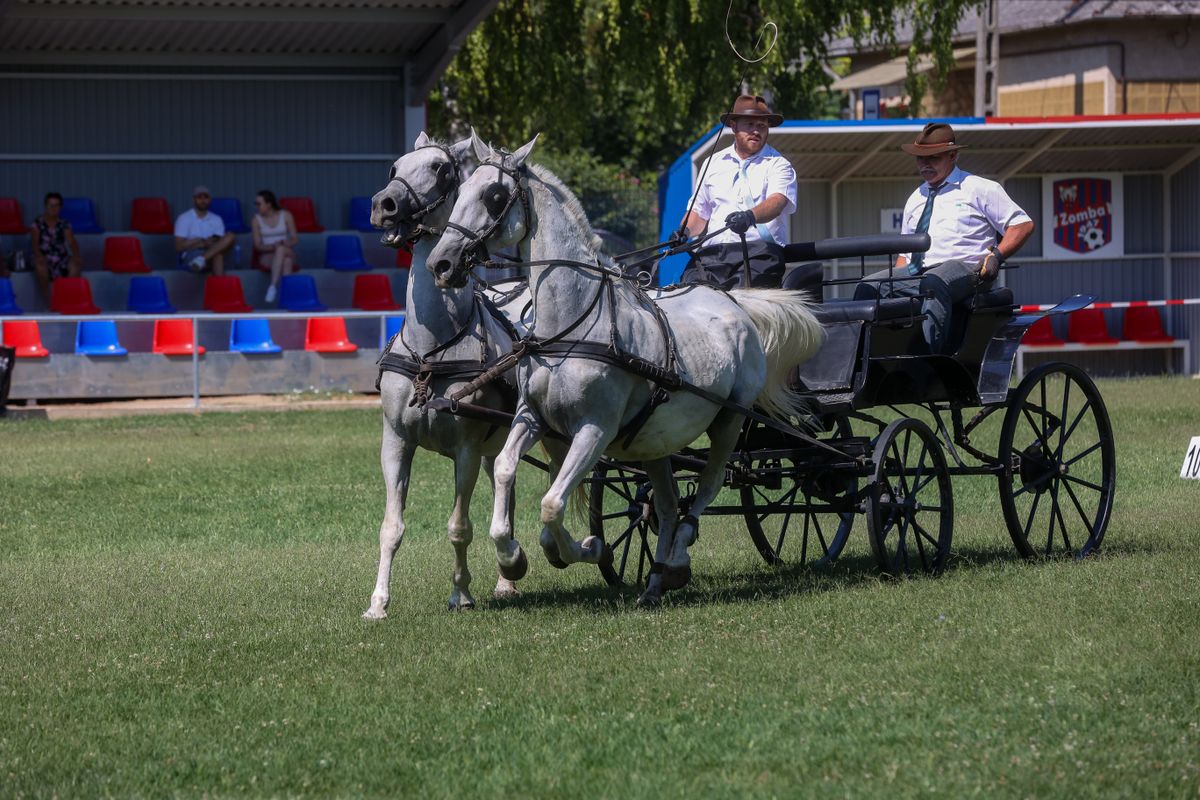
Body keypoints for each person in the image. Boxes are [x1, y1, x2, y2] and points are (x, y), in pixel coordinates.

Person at [853, 122, 1035, 354]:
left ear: (953, 155)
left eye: (933, 158)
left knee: (934, 282)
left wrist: (997, 255)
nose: (925, 165)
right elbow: (905, 256)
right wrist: (893, 281)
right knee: (869, 287)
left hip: (969, 271)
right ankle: (867, 361)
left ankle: (931, 362)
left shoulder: (979, 188)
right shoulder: (916, 197)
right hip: (921, 272)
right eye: (920, 158)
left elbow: (1022, 224)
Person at [675, 94, 797, 288]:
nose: (756, 131)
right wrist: (683, 232)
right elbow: (699, 213)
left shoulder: (778, 165)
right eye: (749, 124)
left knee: (736, 306)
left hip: (759, 255)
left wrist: (750, 216)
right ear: (733, 126)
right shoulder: (713, 163)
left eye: (762, 126)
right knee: (682, 294)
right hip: (712, 256)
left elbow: (777, 202)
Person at [30, 192, 82, 302]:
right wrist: (39, 256)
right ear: (45, 206)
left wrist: (76, 256)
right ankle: (49, 302)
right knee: (40, 267)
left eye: (57, 205)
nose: (53, 208)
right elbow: (34, 243)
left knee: (75, 266)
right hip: (43, 257)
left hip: (61, 257)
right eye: (51, 205)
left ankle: (65, 298)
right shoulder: (37, 223)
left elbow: (71, 241)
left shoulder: (64, 223)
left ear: (60, 207)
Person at [174, 185, 235, 275]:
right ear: (193, 199)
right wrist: (201, 242)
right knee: (217, 256)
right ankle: (201, 261)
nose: (203, 201)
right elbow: (178, 247)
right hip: (191, 254)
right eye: (199, 197)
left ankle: (201, 260)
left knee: (230, 236)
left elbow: (219, 241)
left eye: (206, 197)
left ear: (210, 199)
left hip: (211, 250)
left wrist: (209, 243)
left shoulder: (216, 219)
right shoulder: (184, 218)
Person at [251, 190, 298, 304]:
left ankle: (272, 286)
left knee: (281, 249)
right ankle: (287, 298)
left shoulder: (286, 215)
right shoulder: (256, 220)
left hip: (286, 249)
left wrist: (285, 243)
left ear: (269, 204)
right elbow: (257, 246)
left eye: (259, 204)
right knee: (286, 262)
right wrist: (273, 246)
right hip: (268, 254)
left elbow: (295, 239)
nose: (257, 206)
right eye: (256, 204)